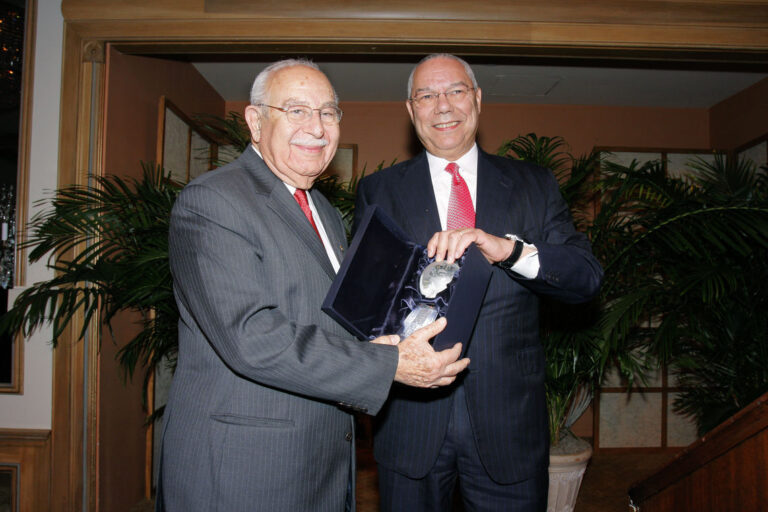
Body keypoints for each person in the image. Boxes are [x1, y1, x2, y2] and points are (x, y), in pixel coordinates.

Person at [156, 59, 469, 512]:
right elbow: (251, 338)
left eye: (328, 112)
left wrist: (381, 338)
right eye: (296, 110)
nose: (317, 127)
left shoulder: (321, 209)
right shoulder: (213, 201)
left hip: (319, 463)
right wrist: (387, 364)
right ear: (255, 121)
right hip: (243, 471)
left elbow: (324, 317)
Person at [354, 54, 604, 511]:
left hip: (508, 425)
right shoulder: (379, 190)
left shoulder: (534, 184)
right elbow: (366, 304)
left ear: (478, 100)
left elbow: (584, 278)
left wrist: (509, 250)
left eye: (455, 91)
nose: (442, 105)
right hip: (410, 421)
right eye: (426, 95)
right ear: (411, 112)